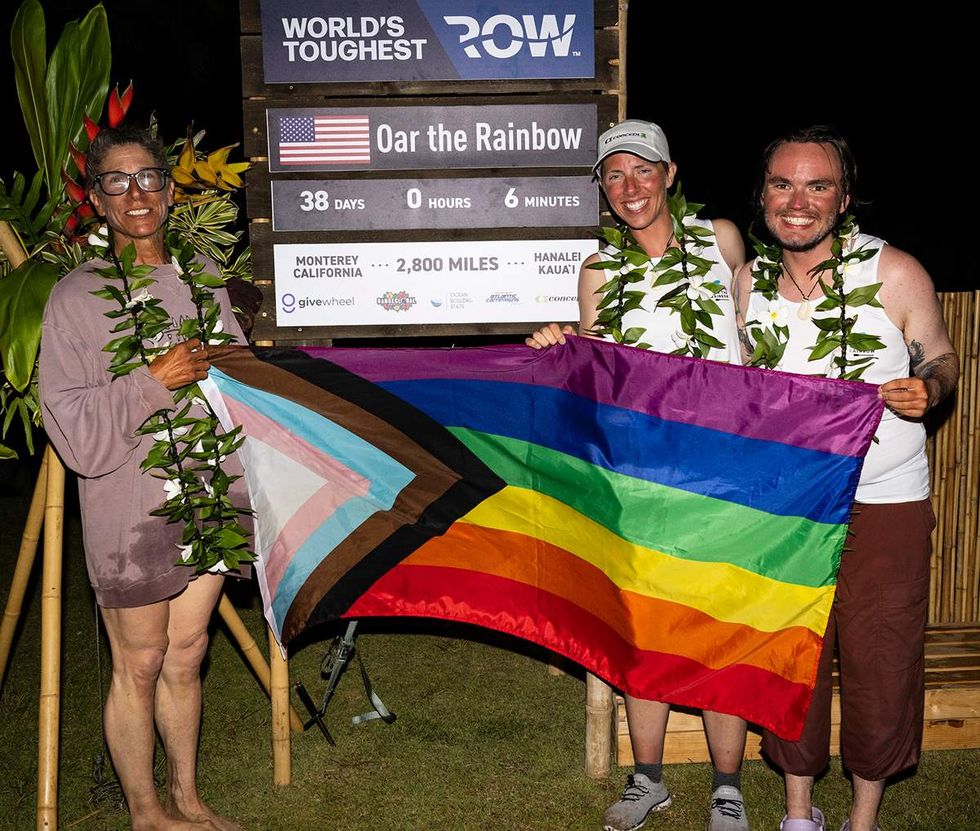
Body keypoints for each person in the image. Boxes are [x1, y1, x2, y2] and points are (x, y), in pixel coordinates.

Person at [732, 126, 958, 831]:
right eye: (783, 183)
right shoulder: (747, 284)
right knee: (791, 652)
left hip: (884, 501)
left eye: (817, 185)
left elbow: (942, 358)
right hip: (789, 505)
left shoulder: (893, 273)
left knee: (881, 655)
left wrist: (930, 388)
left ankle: (863, 817)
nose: (798, 201)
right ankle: (800, 810)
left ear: (844, 198)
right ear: (764, 193)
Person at [527, 119, 750, 831]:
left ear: (670, 173)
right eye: (614, 175)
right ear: (602, 188)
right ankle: (647, 777)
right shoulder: (599, 272)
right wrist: (559, 343)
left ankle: (727, 787)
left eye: (643, 170)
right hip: (639, 475)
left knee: (719, 628)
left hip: (723, 471)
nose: (631, 187)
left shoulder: (721, 241)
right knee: (642, 628)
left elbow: (755, 348)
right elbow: (594, 367)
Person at [39, 125, 248, 831]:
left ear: (168, 187)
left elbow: (243, 381)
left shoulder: (203, 280)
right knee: (141, 659)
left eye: (149, 177)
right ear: (96, 199)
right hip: (129, 509)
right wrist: (151, 381)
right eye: (117, 181)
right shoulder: (75, 297)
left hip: (208, 498)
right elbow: (67, 423)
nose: (137, 194)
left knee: (187, 653)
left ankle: (187, 795)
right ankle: (147, 811)